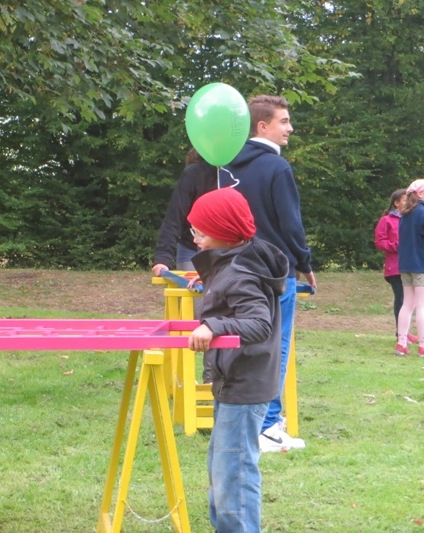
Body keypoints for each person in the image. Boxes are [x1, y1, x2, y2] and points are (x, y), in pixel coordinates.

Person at [186, 187, 288, 533]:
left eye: (199, 231)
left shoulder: (241, 272)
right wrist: (207, 281)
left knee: (234, 474)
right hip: (233, 379)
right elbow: (230, 296)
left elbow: (259, 323)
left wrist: (213, 325)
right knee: (221, 468)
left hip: (245, 384)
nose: (194, 238)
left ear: (224, 232)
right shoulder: (231, 263)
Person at [224, 94, 315, 453]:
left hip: (234, 269)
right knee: (275, 347)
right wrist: (304, 262)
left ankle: (243, 424)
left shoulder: (225, 167)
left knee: (242, 346)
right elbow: (290, 225)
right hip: (275, 272)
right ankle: (267, 426)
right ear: (262, 126)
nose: (290, 128)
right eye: (284, 121)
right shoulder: (278, 168)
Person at [151, 148, 218, 275]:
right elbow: (175, 216)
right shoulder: (193, 173)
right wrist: (163, 258)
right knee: (192, 286)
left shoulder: (241, 172)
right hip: (191, 247)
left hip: (231, 250)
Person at [374, 189, 416, 349]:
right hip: (395, 267)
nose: (408, 203)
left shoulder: (412, 218)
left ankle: (405, 332)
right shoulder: (386, 220)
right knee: (402, 299)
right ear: (396, 203)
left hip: (412, 265)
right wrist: (397, 246)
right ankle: (401, 333)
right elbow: (380, 242)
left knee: (411, 300)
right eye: (405, 200)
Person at [395, 179, 424, 357]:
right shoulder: (422, 212)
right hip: (421, 265)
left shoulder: (405, 214)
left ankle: (401, 343)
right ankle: (422, 345)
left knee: (407, 304)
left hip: (405, 265)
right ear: (419, 193)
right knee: (422, 305)